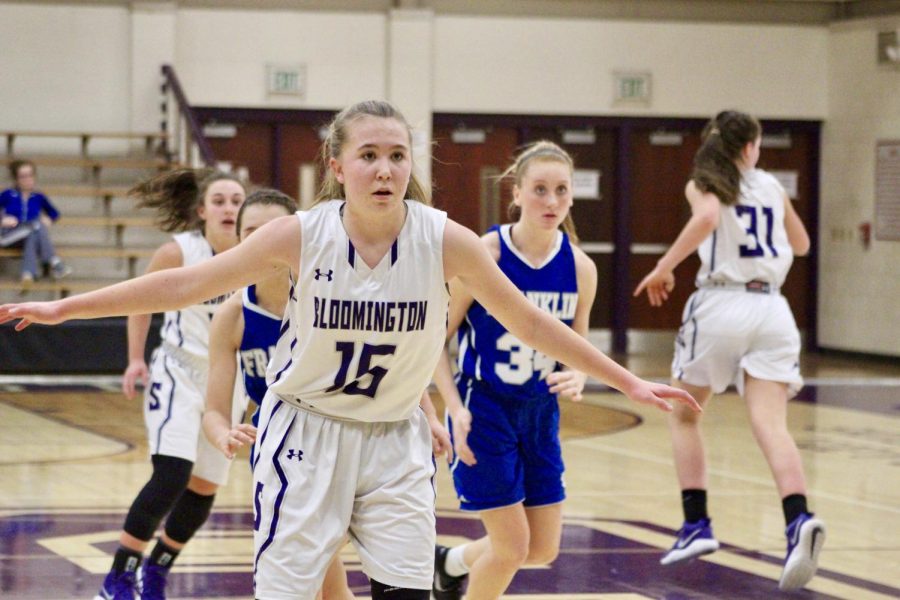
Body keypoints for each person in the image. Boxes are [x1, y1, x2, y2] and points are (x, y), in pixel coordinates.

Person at [0, 100, 699, 600]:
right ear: (338, 165)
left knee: (404, 591)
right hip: (307, 432)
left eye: (397, 155)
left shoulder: (443, 238)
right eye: (368, 154)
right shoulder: (300, 236)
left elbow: (534, 324)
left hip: (394, 439)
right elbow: (184, 283)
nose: (384, 167)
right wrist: (65, 306)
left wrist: (626, 381)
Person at [633, 110, 824, 591]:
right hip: (774, 310)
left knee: (684, 413)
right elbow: (800, 244)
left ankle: (696, 523)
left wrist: (664, 266)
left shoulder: (704, 182)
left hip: (722, 303)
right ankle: (798, 519)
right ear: (749, 147)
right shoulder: (771, 187)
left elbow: (707, 218)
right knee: (771, 425)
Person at [430, 141, 595, 600]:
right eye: (539, 189)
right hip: (483, 410)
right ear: (517, 193)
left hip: (540, 414)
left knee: (540, 549)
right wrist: (454, 407)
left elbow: (577, 348)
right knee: (511, 546)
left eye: (561, 190)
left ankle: (451, 561)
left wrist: (579, 375)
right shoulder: (488, 252)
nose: (551, 200)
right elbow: (434, 339)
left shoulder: (581, 268)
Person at [200, 187, 363, 600]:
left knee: (326, 568)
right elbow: (214, 411)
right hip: (279, 448)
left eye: (274, 230)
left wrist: (430, 415)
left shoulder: (329, 294)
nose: (263, 242)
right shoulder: (232, 316)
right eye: (252, 232)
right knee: (316, 570)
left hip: (344, 435)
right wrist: (223, 434)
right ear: (239, 241)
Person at [98, 168, 247, 600]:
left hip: (227, 378)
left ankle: (158, 571)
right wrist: (133, 359)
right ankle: (118, 577)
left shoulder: (254, 255)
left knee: (204, 485)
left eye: (237, 200)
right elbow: (137, 302)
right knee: (173, 472)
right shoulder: (179, 250)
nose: (228, 208)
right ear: (201, 210)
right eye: (219, 200)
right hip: (179, 370)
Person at [0, 159, 71, 284]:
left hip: (27, 235)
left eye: (30, 175)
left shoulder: (38, 197)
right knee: (36, 225)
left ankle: (28, 273)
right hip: (8, 235)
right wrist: (2, 220)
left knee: (33, 234)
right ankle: (54, 261)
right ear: (16, 179)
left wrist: (49, 218)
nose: (27, 179)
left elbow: (54, 213)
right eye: (23, 176)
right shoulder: (8, 195)